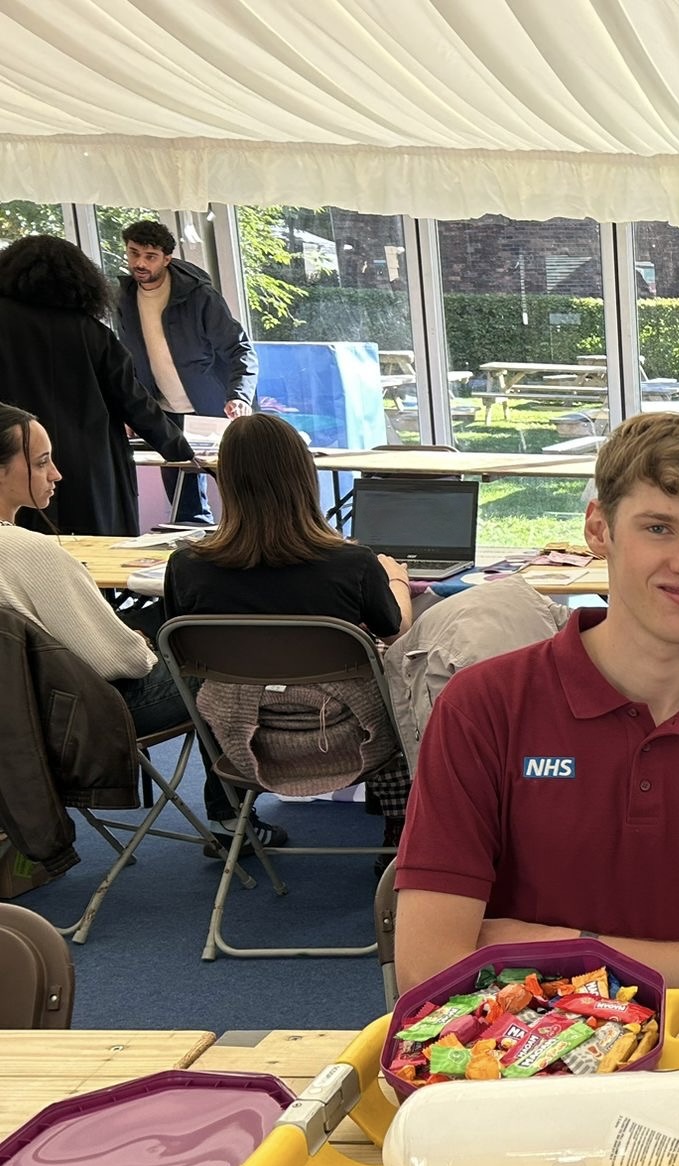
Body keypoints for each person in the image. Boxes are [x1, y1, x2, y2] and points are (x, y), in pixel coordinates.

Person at [392, 409, 679, 993]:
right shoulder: (484, 708)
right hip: (526, 1063)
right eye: (658, 527)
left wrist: (570, 948)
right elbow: (428, 965)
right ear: (598, 529)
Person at [162, 413, 413, 847]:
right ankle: (399, 826)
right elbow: (396, 631)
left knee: (211, 685)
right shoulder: (351, 564)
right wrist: (397, 581)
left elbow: (184, 654)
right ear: (303, 477)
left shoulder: (186, 567)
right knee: (403, 677)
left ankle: (228, 820)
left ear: (226, 483)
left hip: (240, 742)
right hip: (352, 739)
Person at [0, 402, 237, 835]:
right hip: (75, 718)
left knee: (162, 620)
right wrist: (139, 644)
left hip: (19, 719)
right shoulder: (31, 554)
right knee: (214, 660)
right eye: (41, 462)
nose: (56, 474)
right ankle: (232, 820)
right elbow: (121, 663)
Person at [0, 235, 190, 537]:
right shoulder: (92, 333)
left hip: (16, 462)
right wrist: (179, 447)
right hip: (91, 463)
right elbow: (133, 400)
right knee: (94, 556)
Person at [115, 219, 257, 522]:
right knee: (184, 506)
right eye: (133, 253)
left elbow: (240, 349)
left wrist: (239, 396)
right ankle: (192, 558)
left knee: (244, 494)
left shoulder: (198, 296)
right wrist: (130, 411)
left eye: (150, 256)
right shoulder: (123, 298)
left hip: (214, 408)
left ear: (167, 259)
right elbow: (125, 359)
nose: (139, 263)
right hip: (163, 412)